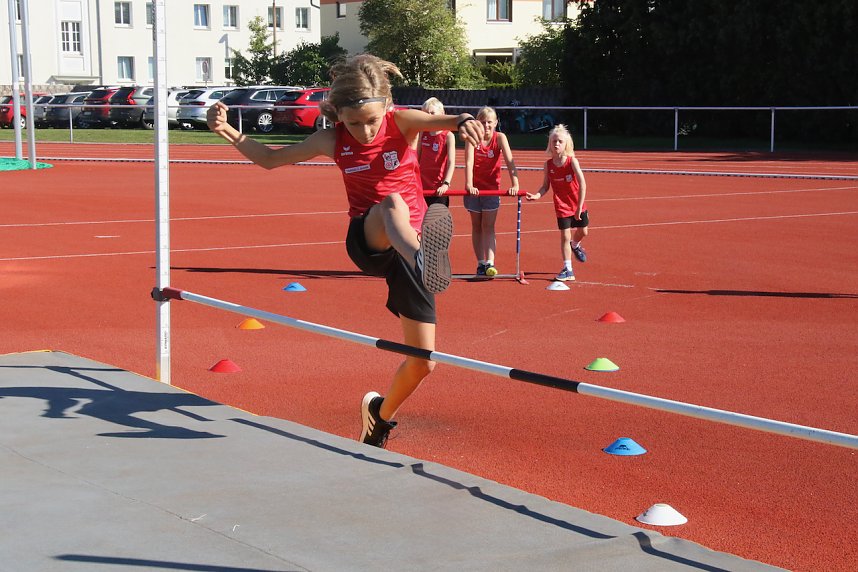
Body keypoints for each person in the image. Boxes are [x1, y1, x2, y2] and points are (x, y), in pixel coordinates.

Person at [206, 54, 484, 448]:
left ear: (387, 107)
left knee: (423, 362)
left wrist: (464, 121)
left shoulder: (402, 122)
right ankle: (423, 254)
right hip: (368, 239)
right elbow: (270, 159)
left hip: (408, 251)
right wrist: (226, 132)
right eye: (354, 123)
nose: (366, 131)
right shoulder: (331, 138)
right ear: (337, 114)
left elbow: (446, 121)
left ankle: (379, 417)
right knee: (391, 204)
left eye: (372, 120)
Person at [526, 124, 589, 282]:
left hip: (577, 203)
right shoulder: (548, 165)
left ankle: (576, 245)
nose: (556, 144)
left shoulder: (572, 162)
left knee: (583, 231)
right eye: (554, 141)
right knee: (564, 236)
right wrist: (537, 196)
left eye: (560, 141)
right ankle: (568, 269)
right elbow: (545, 186)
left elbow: (583, 184)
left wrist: (579, 206)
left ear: (566, 143)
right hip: (561, 206)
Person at [464, 106, 519, 278]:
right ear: (477, 123)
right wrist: (469, 184)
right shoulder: (472, 139)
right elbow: (468, 162)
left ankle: (490, 263)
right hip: (475, 190)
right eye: (483, 122)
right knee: (476, 226)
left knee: (488, 226)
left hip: (491, 189)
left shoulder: (500, 138)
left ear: (495, 123)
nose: (486, 125)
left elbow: (510, 162)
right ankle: (480, 263)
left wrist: (515, 183)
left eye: (489, 122)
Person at [417, 97, 456, 208]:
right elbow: (416, 158)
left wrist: (446, 183)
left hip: (438, 189)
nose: (429, 116)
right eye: (426, 114)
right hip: (422, 187)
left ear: (442, 113)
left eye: (432, 113)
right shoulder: (422, 133)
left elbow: (451, 162)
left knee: (436, 221)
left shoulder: (448, 136)